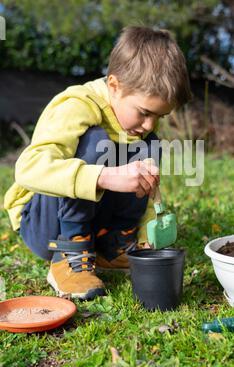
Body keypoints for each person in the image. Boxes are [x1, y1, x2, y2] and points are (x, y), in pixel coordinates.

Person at [4, 25, 191, 300]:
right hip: (46, 225)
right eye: (144, 112)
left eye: (159, 117)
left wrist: (145, 233)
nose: (150, 123)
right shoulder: (77, 105)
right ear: (114, 85)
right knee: (95, 141)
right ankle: (70, 255)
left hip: (95, 220)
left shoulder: (143, 132)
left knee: (147, 146)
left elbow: (148, 193)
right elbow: (28, 169)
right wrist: (104, 176)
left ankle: (115, 244)